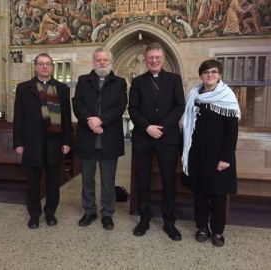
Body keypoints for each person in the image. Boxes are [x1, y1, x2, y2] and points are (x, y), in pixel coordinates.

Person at [128, 42, 185, 239]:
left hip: (168, 138)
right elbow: (132, 109)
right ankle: (144, 218)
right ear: (146, 60)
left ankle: (169, 221)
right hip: (143, 138)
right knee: (143, 179)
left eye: (157, 58)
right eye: (150, 58)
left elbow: (180, 106)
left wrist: (163, 128)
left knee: (168, 180)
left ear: (163, 59)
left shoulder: (174, 80)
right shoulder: (138, 82)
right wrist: (147, 127)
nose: (154, 61)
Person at [182, 59, 240, 247]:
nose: (210, 75)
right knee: (199, 194)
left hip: (218, 157)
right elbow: (189, 124)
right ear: (201, 75)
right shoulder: (194, 96)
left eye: (214, 72)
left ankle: (217, 232)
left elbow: (232, 133)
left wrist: (226, 157)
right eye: (206, 72)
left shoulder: (227, 97)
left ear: (219, 75)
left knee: (218, 196)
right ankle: (201, 228)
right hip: (197, 154)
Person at [13, 53, 71, 229]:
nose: (45, 67)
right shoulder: (24, 88)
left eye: (48, 64)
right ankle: (34, 214)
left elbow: (67, 118)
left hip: (54, 141)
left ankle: (50, 212)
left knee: (54, 181)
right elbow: (19, 118)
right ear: (36, 66)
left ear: (52, 67)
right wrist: (18, 142)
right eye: (41, 64)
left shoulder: (62, 89)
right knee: (33, 181)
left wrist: (67, 141)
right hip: (32, 142)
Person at [72, 47, 127, 230]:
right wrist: (91, 121)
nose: (102, 62)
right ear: (93, 62)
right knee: (87, 178)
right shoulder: (83, 81)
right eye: (98, 60)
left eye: (105, 60)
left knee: (108, 180)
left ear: (110, 62)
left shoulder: (120, 83)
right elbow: (77, 104)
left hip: (109, 138)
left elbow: (120, 107)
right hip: (88, 137)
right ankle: (89, 211)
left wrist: (101, 120)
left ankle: (107, 213)